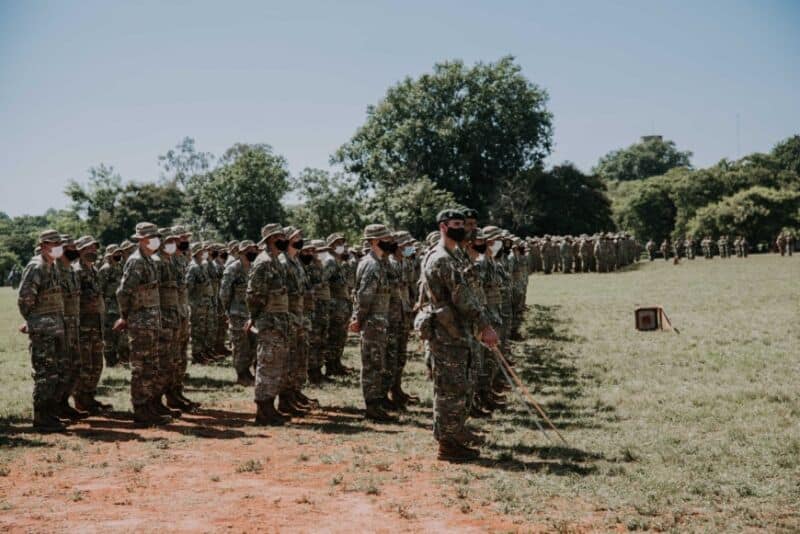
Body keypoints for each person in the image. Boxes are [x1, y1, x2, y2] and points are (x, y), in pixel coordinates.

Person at [419, 210, 498, 461]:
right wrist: (484, 325)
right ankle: (447, 444)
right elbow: (462, 297)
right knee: (449, 389)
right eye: (455, 224)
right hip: (447, 333)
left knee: (462, 385)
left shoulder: (456, 254)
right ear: (443, 226)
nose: (461, 227)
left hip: (459, 331)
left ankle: (456, 431)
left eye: (462, 224)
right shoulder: (441, 259)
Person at [115, 222, 171, 426]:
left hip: (152, 320)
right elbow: (123, 292)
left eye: (157, 236)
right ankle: (140, 408)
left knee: (151, 365)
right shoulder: (136, 261)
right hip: (140, 321)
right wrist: (125, 316)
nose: (157, 240)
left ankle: (149, 405)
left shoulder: (150, 260)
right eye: (152, 237)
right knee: (141, 366)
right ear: (142, 240)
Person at [18, 230, 69, 432]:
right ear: (44, 244)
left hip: (56, 327)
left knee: (55, 372)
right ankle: (41, 418)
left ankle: (50, 414)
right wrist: (33, 321)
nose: (58, 246)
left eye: (59, 243)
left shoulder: (52, 265)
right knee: (44, 373)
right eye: (54, 243)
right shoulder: (37, 266)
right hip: (43, 329)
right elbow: (24, 299)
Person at [349, 224, 396, 423]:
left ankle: (377, 401)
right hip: (372, 322)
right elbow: (365, 297)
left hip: (381, 320)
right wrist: (358, 319)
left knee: (379, 363)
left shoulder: (382, 262)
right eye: (386, 238)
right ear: (375, 241)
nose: (390, 242)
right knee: (372, 364)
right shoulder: (371, 264)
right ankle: (372, 406)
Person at [247, 224, 292, 426]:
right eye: (279, 237)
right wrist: (256, 317)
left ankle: (270, 407)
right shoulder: (263, 262)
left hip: (279, 320)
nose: (283, 239)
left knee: (276, 365)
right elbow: (254, 294)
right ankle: (263, 410)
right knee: (267, 365)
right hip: (269, 320)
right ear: (270, 239)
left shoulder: (276, 261)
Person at [73, 235, 110, 414]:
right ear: (79, 251)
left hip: (96, 324)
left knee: (97, 364)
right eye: (88, 248)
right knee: (85, 364)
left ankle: (89, 397)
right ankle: (80, 399)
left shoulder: (94, 270)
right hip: (82, 326)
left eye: (94, 248)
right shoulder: (76, 272)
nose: (92, 251)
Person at [221, 240, 258, 386]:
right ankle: (241, 374)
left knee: (253, 344)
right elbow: (224, 292)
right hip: (237, 313)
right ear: (241, 252)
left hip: (252, 314)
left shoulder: (254, 267)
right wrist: (228, 311)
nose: (253, 253)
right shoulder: (233, 269)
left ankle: (248, 371)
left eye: (254, 250)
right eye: (249, 250)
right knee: (240, 344)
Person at [186, 242, 214, 363]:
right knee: (197, 329)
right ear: (197, 253)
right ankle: (196, 354)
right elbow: (189, 286)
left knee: (204, 329)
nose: (204, 253)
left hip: (205, 301)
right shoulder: (193, 267)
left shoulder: (202, 265)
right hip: (197, 303)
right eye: (202, 251)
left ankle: (202, 352)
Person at [98, 244, 125, 366]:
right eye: (116, 254)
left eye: (119, 253)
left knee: (119, 334)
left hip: (118, 305)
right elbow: (100, 290)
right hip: (109, 307)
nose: (118, 255)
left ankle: (119, 358)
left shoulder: (120, 268)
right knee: (109, 335)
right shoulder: (105, 269)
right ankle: (110, 361)